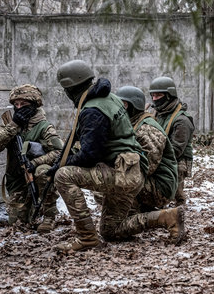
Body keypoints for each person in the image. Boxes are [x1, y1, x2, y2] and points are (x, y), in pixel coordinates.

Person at [48, 60, 185, 252]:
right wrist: (58, 162)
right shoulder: (108, 99)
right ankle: (167, 217)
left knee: (63, 176)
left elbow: (89, 154)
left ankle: (87, 238)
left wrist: (60, 168)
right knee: (111, 230)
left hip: (125, 175)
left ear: (70, 88)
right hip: (128, 172)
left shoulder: (93, 109)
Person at [0, 84, 63, 232]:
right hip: (16, 179)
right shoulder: (9, 123)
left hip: (36, 175)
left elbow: (59, 152)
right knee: (17, 222)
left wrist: (35, 163)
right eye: (16, 104)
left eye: (24, 104)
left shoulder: (44, 126)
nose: (19, 107)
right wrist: (14, 125)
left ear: (34, 105)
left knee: (43, 171)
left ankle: (49, 215)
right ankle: (32, 207)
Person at [115, 86, 178, 212]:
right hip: (152, 181)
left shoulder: (147, 129)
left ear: (129, 105)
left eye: (121, 104)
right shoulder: (133, 123)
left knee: (112, 182)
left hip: (160, 188)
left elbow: (146, 167)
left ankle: (134, 212)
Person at [149, 77, 194, 207]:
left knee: (175, 192)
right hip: (161, 154)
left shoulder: (182, 120)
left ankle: (180, 204)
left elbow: (177, 149)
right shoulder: (158, 113)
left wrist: (157, 160)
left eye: (158, 95)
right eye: (153, 95)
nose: (154, 98)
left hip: (178, 160)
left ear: (169, 96)